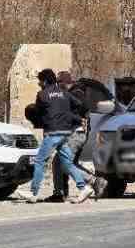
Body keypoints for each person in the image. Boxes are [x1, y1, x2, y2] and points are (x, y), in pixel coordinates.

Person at [21, 69, 90, 204]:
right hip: (66, 133)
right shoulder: (65, 93)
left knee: (40, 160)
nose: (39, 83)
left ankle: (33, 192)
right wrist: (74, 117)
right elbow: (79, 104)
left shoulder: (42, 95)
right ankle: (83, 188)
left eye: (40, 81)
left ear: (45, 81)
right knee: (67, 162)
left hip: (53, 132)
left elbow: (39, 113)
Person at [49, 71, 93, 203]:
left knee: (63, 161)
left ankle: (94, 181)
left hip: (76, 134)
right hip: (72, 134)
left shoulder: (77, 93)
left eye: (60, 82)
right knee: (59, 162)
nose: (58, 85)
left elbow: (80, 110)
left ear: (67, 83)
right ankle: (60, 193)